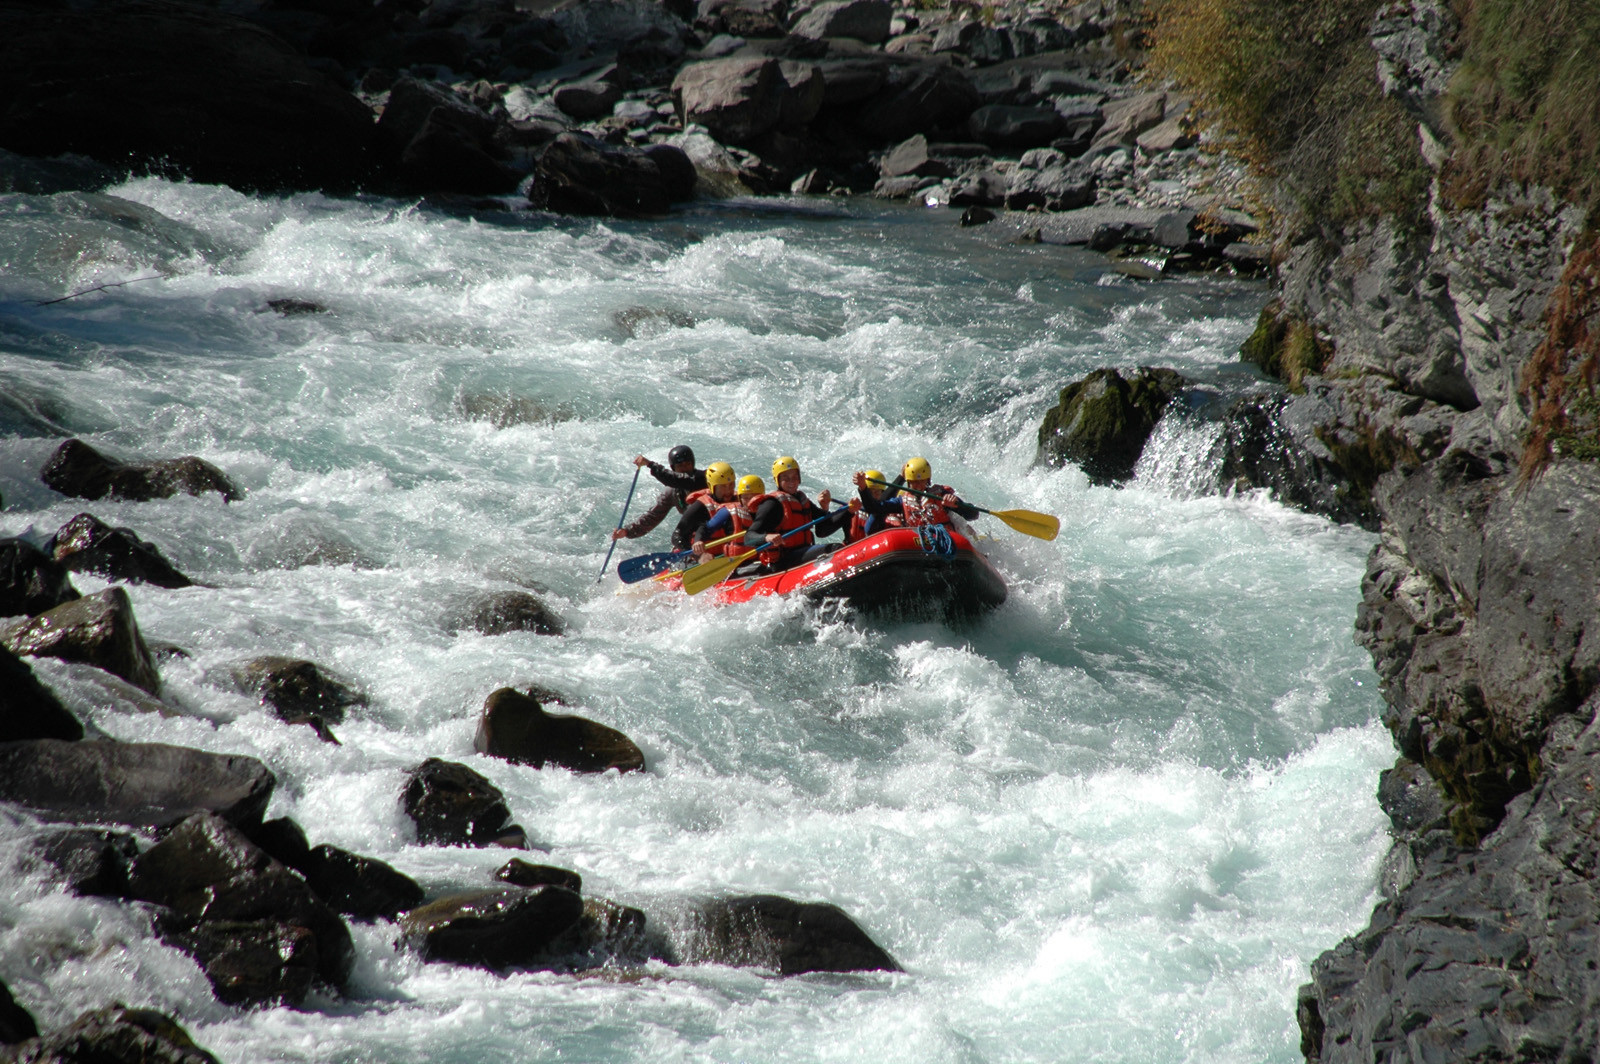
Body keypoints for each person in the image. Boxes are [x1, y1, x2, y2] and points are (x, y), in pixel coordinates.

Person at [742, 455, 853, 571]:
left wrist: (848, 511)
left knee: (837, 547)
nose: (791, 482)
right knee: (834, 548)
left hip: (803, 553)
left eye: (795, 477)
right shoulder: (772, 504)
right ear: (778, 480)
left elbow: (823, 529)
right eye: (786, 478)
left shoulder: (801, 500)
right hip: (784, 561)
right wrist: (766, 537)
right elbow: (748, 538)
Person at [611, 445, 706, 547]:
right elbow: (653, 517)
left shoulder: (703, 478)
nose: (685, 469)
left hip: (713, 525)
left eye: (688, 464)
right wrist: (627, 531)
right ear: (674, 468)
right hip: (697, 534)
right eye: (680, 466)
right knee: (678, 538)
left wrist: (650, 464)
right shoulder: (671, 492)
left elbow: (677, 479)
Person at [854, 456, 979, 528]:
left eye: (922, 481)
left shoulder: (942, 495)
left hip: (945, 540)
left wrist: (957, 504)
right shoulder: (901, 501)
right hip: (917, 544)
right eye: (914, 482)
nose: (918, 486)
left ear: (928, 480)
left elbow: (973, 515)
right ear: (908, 482)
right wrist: (863, 488)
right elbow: (874, 508)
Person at [693, 473, 764, 560]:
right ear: (739, 498)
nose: (749, 502)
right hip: (737, 562)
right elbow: (705, 528)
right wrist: (698, 541)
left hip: (763, 558)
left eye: (753, 497)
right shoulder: (728, 511)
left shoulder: (771, 508)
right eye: (745, 498)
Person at [672, 461, 736, 555]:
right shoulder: (700, 506)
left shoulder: (740, 500)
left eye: (731, 484)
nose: (728, 490)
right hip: (703, 557)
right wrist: (698, 556)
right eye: (723, 486)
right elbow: (677, 536)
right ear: (712, 487)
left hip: (729, 554)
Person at [844, 468, 900, 543]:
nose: (873, 496)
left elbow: (876, 507)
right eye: (870, 492)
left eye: (877, 492)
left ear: (882, 492)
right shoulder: (853, 509)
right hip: (853, 549)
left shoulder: (889, 511)